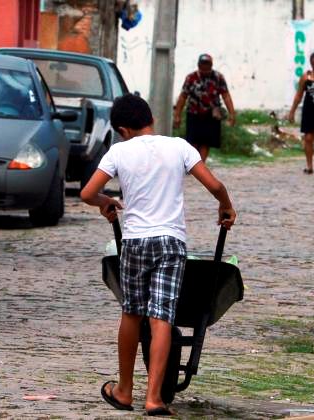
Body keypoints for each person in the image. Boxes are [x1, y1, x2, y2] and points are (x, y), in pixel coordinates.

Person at [80, 94, 236, 416]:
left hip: (136, 241)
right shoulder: (179, 146)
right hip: (170, 241)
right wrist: (226, 206)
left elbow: (86, 192)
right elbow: (215, 185)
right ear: (150, 119)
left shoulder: (119, 151)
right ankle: (154, 399)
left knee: (131, 313)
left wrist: (105, 203)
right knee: (162, 316)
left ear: (123, 129)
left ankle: (124, 391)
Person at [173, 54, 236, 162]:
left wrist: (232, 114)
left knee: (206, 142)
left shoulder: (218, 77)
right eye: (203, 65)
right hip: (194, 114)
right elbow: (183, 96)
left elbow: (226, 95)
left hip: (211, 115)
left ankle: (200, 164)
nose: (205, 68)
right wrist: (177, 115)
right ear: (198, 65)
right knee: (192, 142)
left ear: (211, 65)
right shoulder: (191, 78)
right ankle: (191, 164)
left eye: (207, 65)